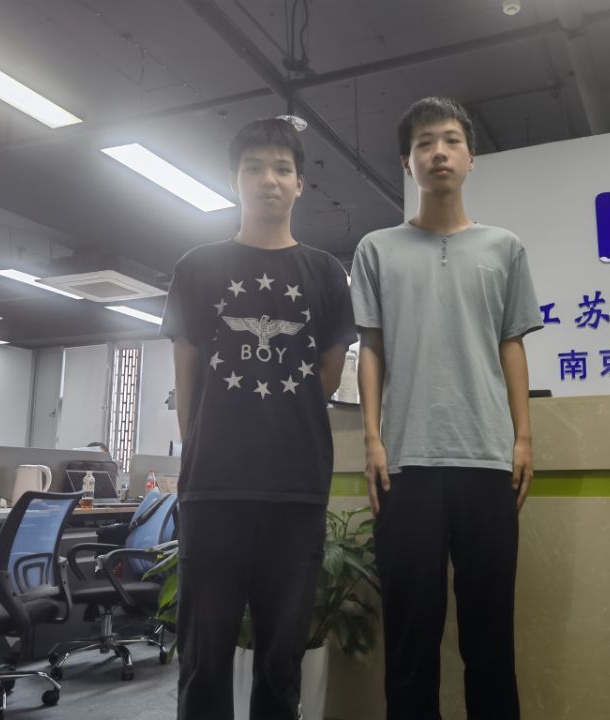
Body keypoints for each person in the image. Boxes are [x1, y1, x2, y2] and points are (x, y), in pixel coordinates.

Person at [349, 96, 544, 720]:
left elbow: (510, 344)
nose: (439, 153)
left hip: (487, 459)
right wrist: (373, 440)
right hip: (406, 464)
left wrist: (522, 439)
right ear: (406, 163)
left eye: (452, 140)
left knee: (491, 635)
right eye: (424, 143)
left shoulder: (504, 247)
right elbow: (371, 348)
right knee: (411, 637)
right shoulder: (376, 249)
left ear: (471, 157)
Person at [160, 117, 356, 720]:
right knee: (204, 657)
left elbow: (328, 375)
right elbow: (187, 376)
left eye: (281, 168)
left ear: (300, 184)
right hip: (212, 489)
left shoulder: (326, 273)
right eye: (253, 168)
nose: (268, 179)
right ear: (234, 180)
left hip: (295, 490)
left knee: (280, 661)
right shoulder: (197, 267)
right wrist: (204, 450)